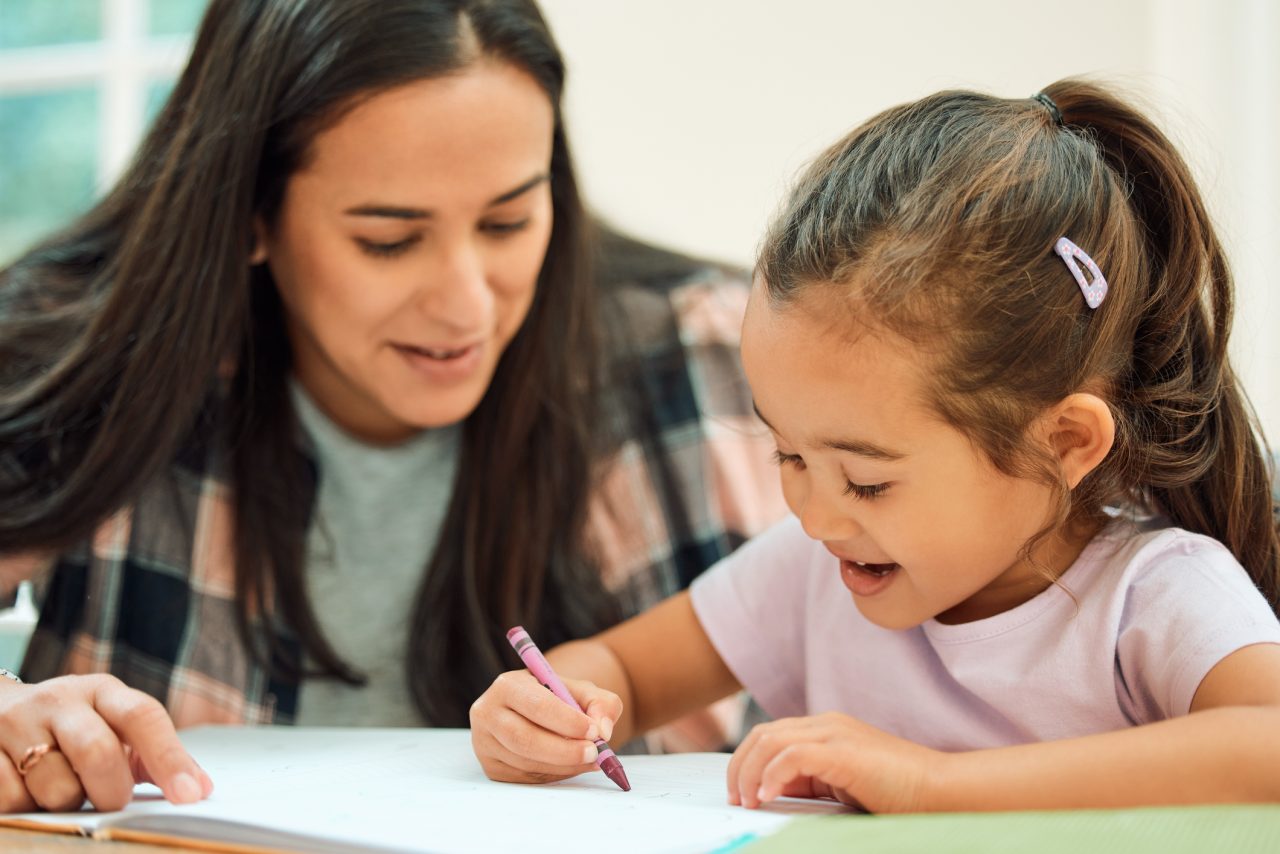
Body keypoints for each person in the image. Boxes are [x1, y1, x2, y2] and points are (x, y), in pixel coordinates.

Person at [0, 0, 784, 814]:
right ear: (249, 215)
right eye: (388, 240)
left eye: (509, 220)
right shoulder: (75, 354)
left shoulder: (719, 354)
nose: (466, 306)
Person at [470, 79, 1280, 810]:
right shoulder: (811, 573)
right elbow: (627, 671)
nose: (815, 515)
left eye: (866, 481)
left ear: (1065, 442)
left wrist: (933, 784)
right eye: (787, 456)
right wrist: (554, 708)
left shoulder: (1151, 597)